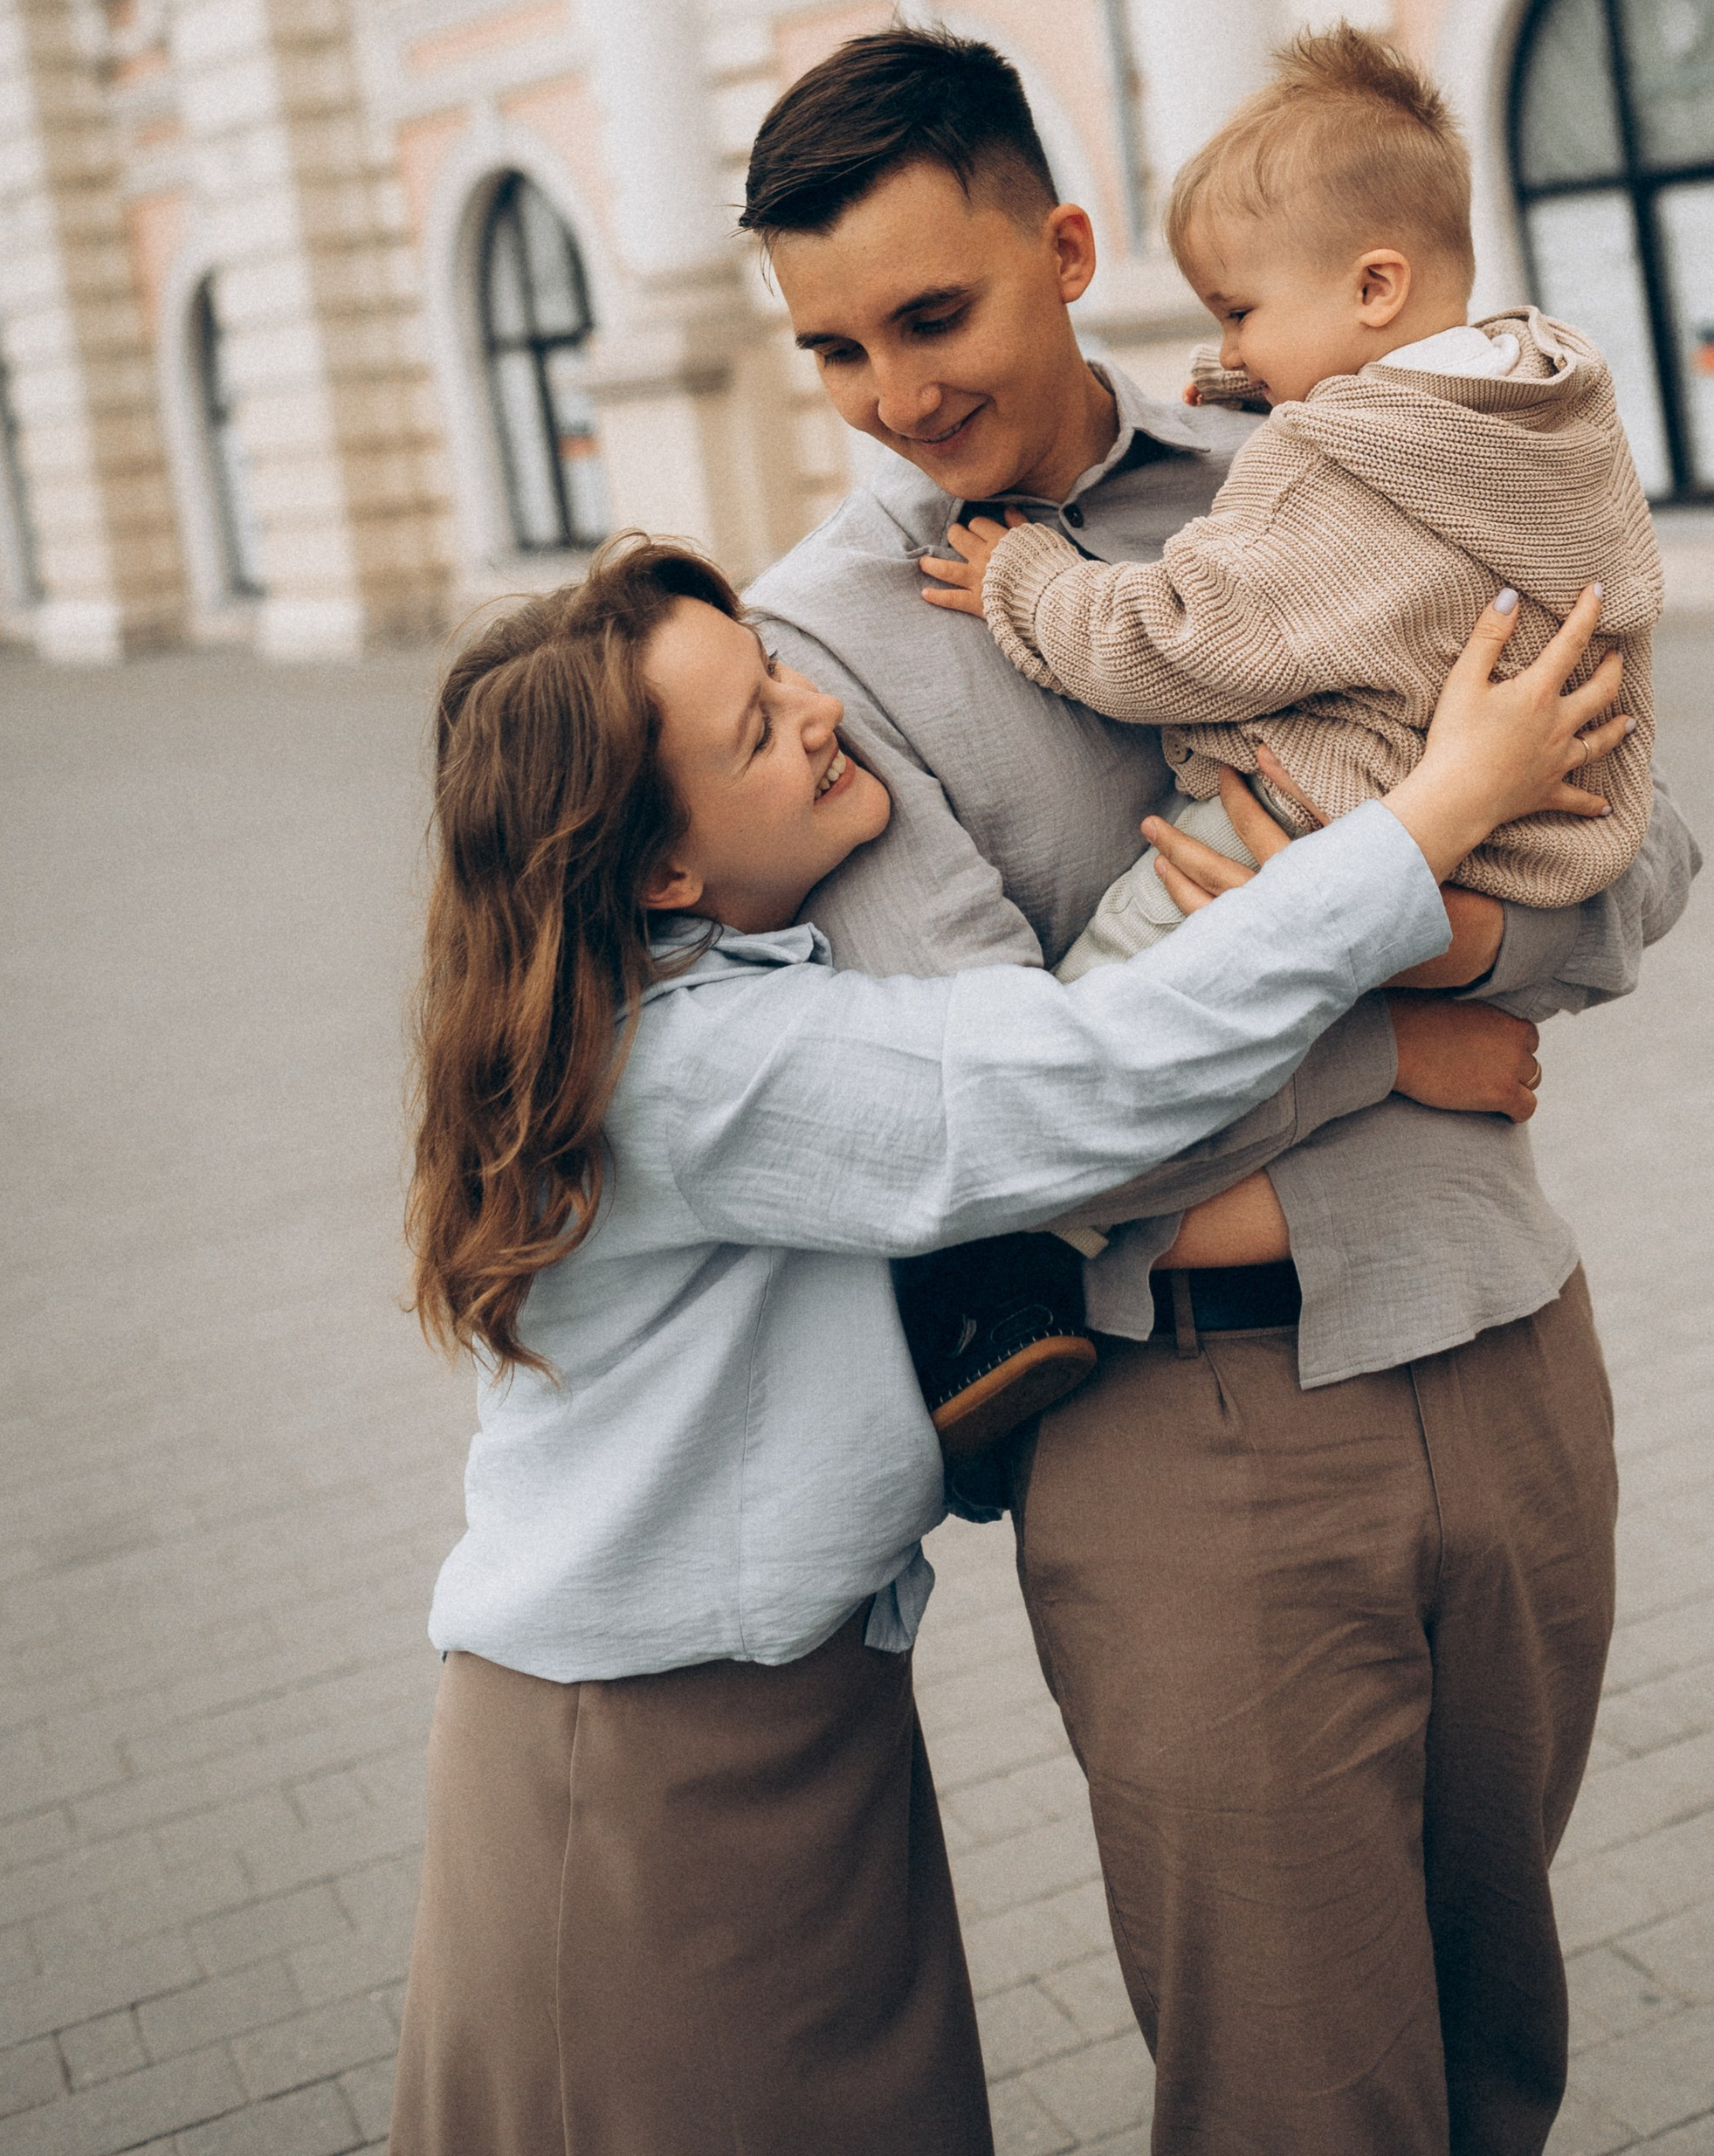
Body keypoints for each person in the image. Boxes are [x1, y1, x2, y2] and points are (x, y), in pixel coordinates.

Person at [740, 24, 1703, 2156]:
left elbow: (1639, 855)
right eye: (831, 349)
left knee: (1497, 2060)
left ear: (1069, 251)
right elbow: (996, 1116)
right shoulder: (817, 647)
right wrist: (1408, 1031)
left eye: (932, 314)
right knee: (1295, 2096)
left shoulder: (1339, 452)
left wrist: (1460, 945)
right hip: (1181, 1432)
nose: (894, 395)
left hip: (1503, 1339)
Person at [387, 534, 1625, 2156]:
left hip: (786, 1710)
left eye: (777, 670)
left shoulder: (714, 995)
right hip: (633, 1760)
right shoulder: (691, 1069)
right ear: (663, 869)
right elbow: (1074, 1083)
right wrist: (1434, 815)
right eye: (757, 729)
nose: (819, 709)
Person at [921, 21, 1662, 970]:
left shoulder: (1320, 471)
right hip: (1550, 842)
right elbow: (1389, 417)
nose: (1230, 348)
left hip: (1318, 814)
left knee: (1108, 982)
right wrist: (1253, 380)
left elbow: (1180, 636)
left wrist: (1028, 577)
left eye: (1238, 314)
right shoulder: (1542, 403)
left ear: (1374, 288)